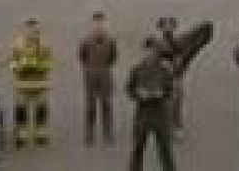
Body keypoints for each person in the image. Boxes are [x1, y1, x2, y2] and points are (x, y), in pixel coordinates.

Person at [127, 37, 177, 171]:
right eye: (147, 50)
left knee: (165, 149)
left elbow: (171, 90)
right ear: (143, 51)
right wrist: (139, 94)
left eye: (153, 51)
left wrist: (161, 94)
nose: (149, 53)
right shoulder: (136, 70)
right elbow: (129, 90)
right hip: (143, 113)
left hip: (160, 114)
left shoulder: (165, 71)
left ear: (157, 53)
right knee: (137, 148)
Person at [9, 17, 54, 146]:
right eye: (30, 30)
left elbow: (50, 62)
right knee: (21, 110)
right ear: (25, 30)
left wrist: (39, 66)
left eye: (35, 30)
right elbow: (11, 62)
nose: (32, 32)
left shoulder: (45, 45)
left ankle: (41, 134)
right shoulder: (17, 45)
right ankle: (21, 135)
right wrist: (19, 67)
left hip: (40, 84)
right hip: (22, 84)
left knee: (41, 109)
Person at [79, 11, 118, 145]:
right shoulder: (85, 41)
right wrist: (90, 68)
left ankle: (108, 132)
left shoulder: (110, 41)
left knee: (106, 104)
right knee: (90, 106)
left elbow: (113, 57)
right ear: (92, 24)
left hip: (105, 74)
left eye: (101, 22)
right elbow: (82, 57)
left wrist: (104, 68)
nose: (99, 25)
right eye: (96, 23)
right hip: (90, 75)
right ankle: (90, 134)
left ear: (105, 24)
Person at [155, 17, 186, 135]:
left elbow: (182, 59)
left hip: (175, 76)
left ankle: (177, 126)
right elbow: (154, 59)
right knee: (163, 102)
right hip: (161, 77)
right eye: (165, 26)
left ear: (174, 28)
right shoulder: (157, 44)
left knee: (177, 102)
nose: (167, 28)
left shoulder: (179, 42)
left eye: (170, 26)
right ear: (161, 28)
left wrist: (176, 66)